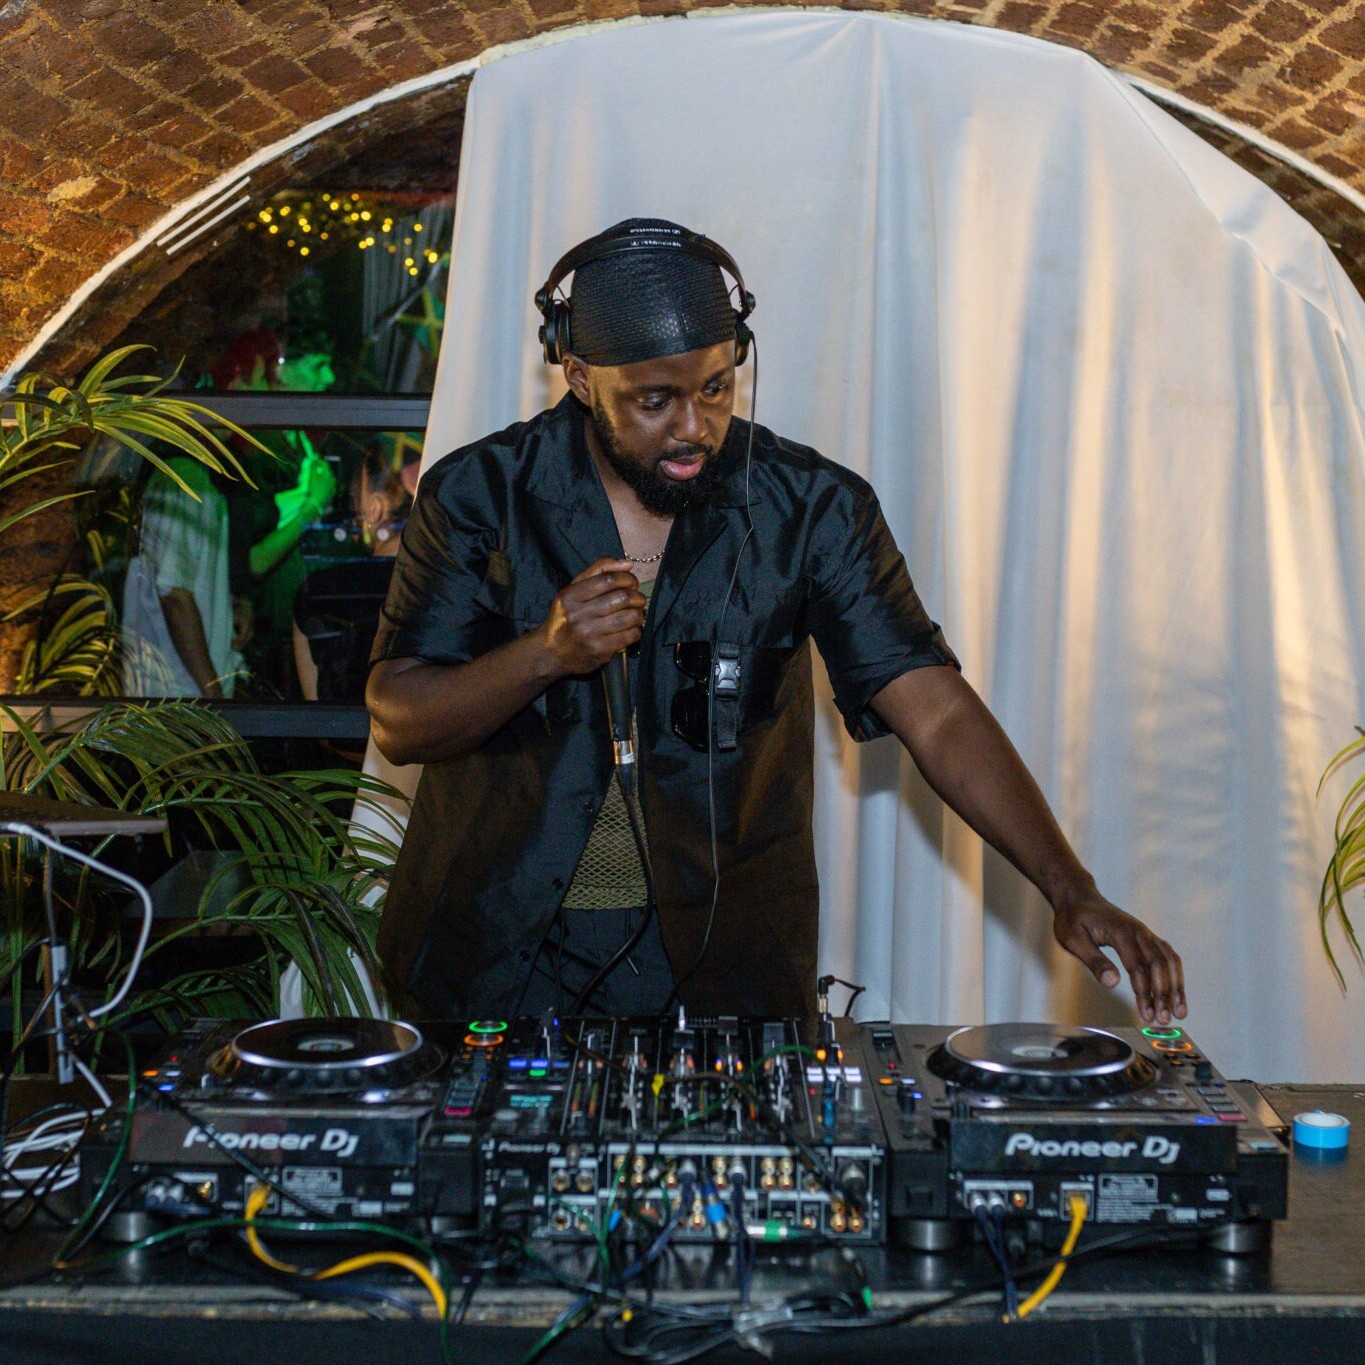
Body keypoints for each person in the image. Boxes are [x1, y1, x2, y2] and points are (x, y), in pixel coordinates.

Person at [367, 218, 1185, 1026]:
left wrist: (1068, 887)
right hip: (495, 961)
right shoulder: (478, 494)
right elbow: (400, 719)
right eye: (654, 401)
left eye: (715, 387)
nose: (693, 427)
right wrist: (543, 654)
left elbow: (932, 708)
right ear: (580, 378)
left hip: (720, 973)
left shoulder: (811, 508)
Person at [293, 445, 412, 705]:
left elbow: (315, 715)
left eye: (356, 498)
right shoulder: (452, 586)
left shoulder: (320, 593)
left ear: (375, 508)